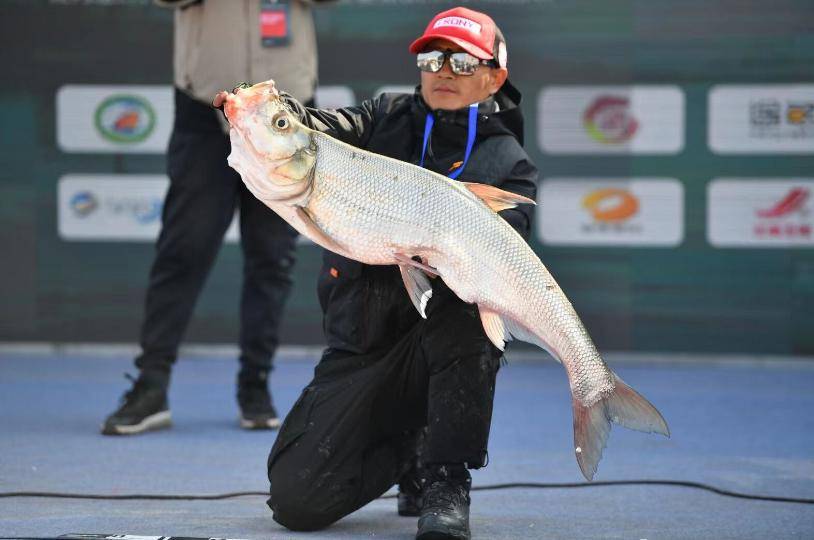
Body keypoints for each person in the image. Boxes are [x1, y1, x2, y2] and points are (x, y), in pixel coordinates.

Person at [254, 7, 539, 539]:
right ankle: (411, 446)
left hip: (444, 344)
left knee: (471, 301)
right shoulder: (382, 116)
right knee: (296, 501)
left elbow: (507, 253)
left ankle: (445, 477)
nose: (443, 71)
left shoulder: (510, 164)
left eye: (461, 61)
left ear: (495, 75)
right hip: (362, 345)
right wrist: (270, 112)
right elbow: (317, 128)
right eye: (433, 58)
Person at [102, 0, 330, 435]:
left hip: (284, 116)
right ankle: (151, 386)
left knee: (272, 257)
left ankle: (255, 387)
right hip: (205, 109)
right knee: (183, 251)